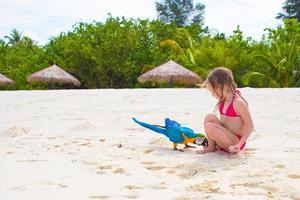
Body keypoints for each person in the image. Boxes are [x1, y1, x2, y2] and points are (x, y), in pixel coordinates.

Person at [197, 67, 254, 154]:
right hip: (225, 137)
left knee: (209, 126)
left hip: (234, 143)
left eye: (213, 92)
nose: (212, 95)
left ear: (220, 87)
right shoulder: (223, 101)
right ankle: (211, 147)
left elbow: (250, 126)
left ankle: (222, 146)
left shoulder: (238, 103)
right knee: (209, 117)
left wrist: (239, 144)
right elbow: (224, 124)